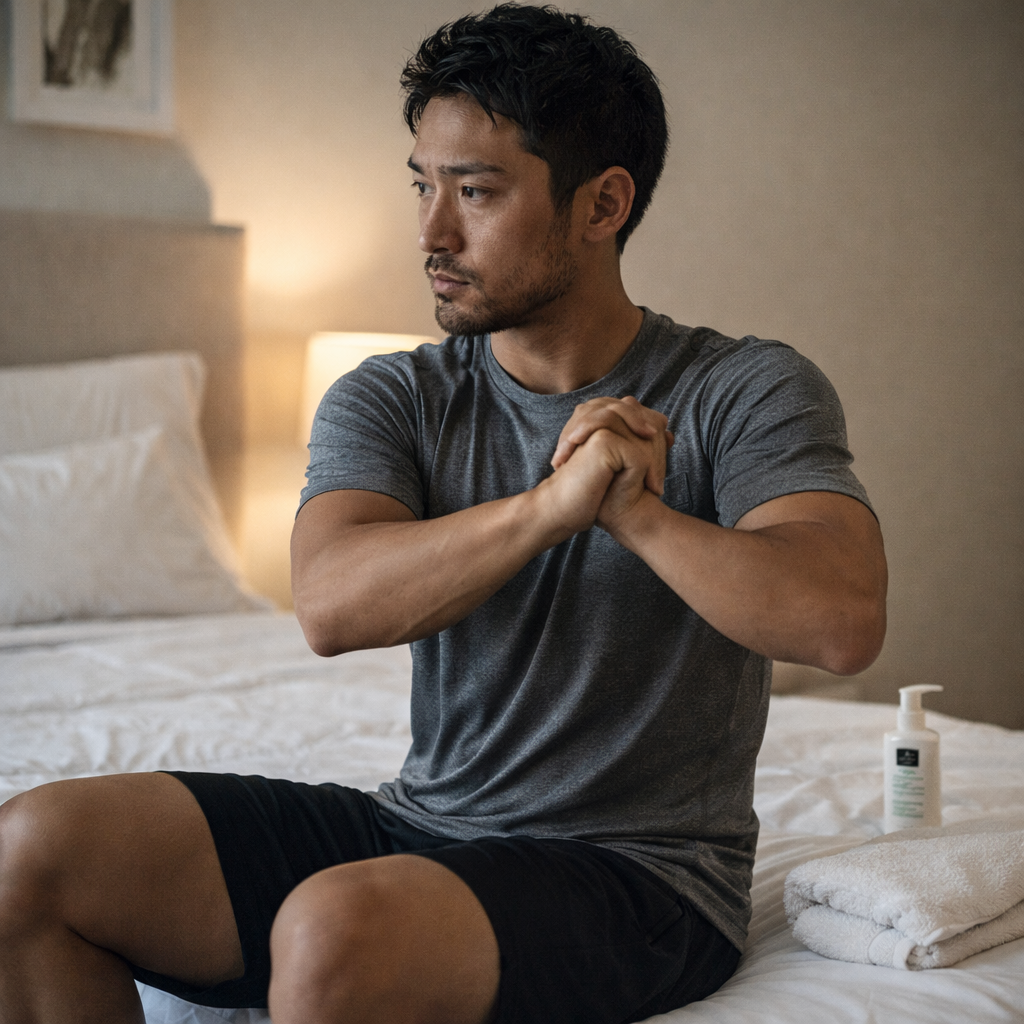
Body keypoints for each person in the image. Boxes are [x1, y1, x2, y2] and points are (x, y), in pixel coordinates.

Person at [0, 6, 887, 1024]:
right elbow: (331, 604)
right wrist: (550, 508)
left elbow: (839, 621)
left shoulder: (742, 388)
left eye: (475, 191)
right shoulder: (393, 395)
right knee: (33, 847)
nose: (430, 231)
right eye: (422, 184)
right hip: (423, 826)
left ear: (601, 205)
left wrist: (633, 512)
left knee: (335, 929)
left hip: (641, 876)